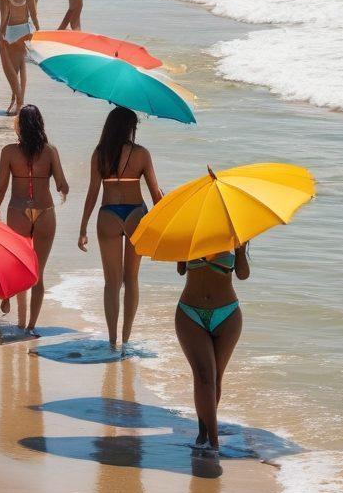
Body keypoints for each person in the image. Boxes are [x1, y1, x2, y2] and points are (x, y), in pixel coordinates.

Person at [78, 107, 162, 349]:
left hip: (108, 215)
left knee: (111, 282)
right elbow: (155, 193)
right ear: (130, 128)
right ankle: (127, 338)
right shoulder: (142, 154)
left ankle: (112, 340)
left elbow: (93, 192)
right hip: (136, 213)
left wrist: (83, 228)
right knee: (131, 278)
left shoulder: (100, 154)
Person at [0, 105, 68, 334]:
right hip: (44, 213)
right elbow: (62, 185)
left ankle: (14, 308)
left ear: (20, 126)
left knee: (16, 266)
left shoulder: (9, 152)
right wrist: (63, 188)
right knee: (38, 274)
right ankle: (31, 325)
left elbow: (1, 188)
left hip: (18, 212)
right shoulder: (50, 151)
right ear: (40, 124)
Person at [175, 244, 250, 459]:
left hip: (227, 315)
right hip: (190, 313)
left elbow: (243, 274)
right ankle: (214, 444)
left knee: (214, 378)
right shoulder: (190, 230)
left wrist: (240, 250)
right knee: (205, 376)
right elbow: (181, 269)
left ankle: (203, 433)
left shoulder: (234, 231)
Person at [0, 0, 38, 115]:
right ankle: (18, 100)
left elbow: (4, 20)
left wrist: (0, 37)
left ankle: (17, 101)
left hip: (12, 33)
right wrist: (38, 33)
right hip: (26, 31)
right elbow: (34, 16)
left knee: (11, 70)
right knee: (22, 67)